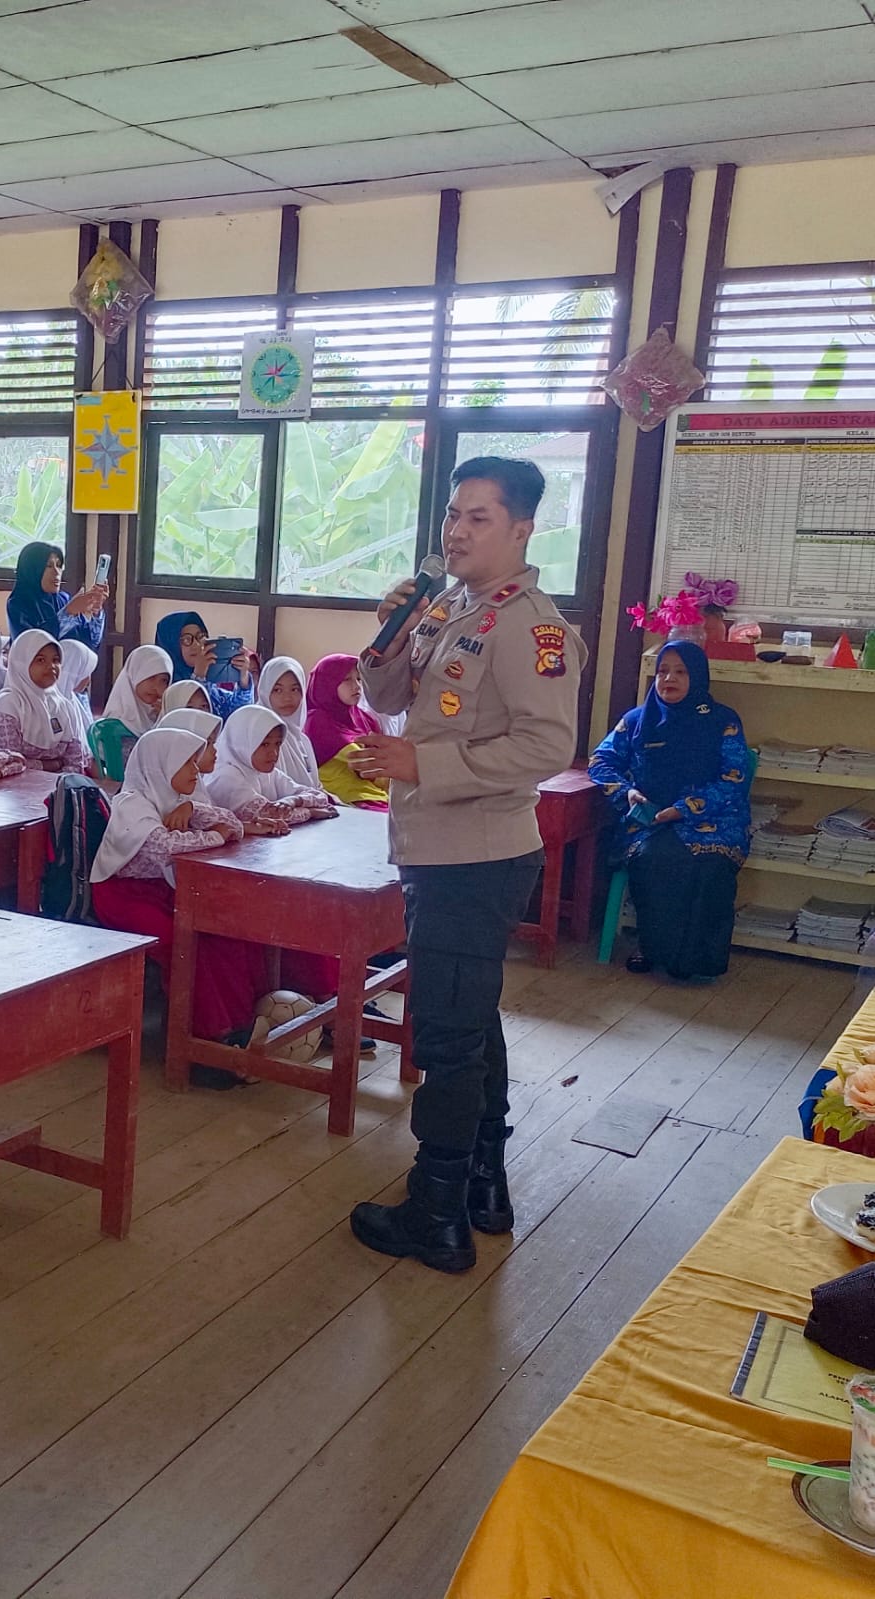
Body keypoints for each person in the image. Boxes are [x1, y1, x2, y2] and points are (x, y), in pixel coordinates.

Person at [348, 455, 585, 1275]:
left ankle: (435, 1210)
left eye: (478, 517)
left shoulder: (531, 626)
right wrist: (388, 640)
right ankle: (483, 1180)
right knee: (472, 1017)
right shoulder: (450, 607)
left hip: (476, 855)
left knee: (446, 1035)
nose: (456, 529)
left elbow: (546, 745)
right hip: (436, 849)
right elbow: (386, 698)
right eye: (453, 514)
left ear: (521, 529)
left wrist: (423, 767)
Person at [92, 728, 325, 1086]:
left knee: (226, 933)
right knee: (189, 944)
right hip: (123, 896)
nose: (195, 771)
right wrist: (215, 834)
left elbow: (231, 823)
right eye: (186, 762)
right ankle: (202, 1044)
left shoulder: (173, 796)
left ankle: (238, 1027)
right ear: (161, 764)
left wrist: (195, 809)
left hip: (164, 889)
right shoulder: (132, 803)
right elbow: (163, 847)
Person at [588, 639, 750, 981]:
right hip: (649, 821)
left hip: (713, 821)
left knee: (708, 866)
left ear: (699, 677)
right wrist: (628, 792)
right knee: (653, 860)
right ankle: (652, 947)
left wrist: (686, 809)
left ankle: (698, 961)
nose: (668, 679)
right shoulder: (636, 721)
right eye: (662, 671)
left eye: (680, 671)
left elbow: (733, 777)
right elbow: (600, 762)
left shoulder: (723, 721)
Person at [203, 704, 336, 827]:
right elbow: (268, 815)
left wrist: (294, 800)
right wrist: (311, 813)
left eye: (277, 744)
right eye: (264, 744)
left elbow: (318, 796)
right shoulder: (225, 776)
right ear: (242, 742)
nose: (274, 753)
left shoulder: (265, 772)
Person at [0, 629, 85, 771]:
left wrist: (58, 785)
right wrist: (53, 765)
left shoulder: (64, 706)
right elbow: (9, 762)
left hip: (59, 787)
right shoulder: (7, 706)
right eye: (40, 660)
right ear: (21, 664)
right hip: (13, 789)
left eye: (56, 660)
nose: (51, 666)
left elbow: (75, 761)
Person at [304, 653, 390, 810]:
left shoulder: (365, 718)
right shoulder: (317, 721)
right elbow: (367, 764)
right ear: (327, 684)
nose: (356, 686)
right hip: (347, 801)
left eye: (358, 679)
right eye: (346, 680)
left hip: (379, 795)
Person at [6, 541, 107, 650]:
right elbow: (32, 646)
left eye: (59, 566)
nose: (57, 572)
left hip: (66, 665)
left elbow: (89, 643)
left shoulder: (64, 599)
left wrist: (96, 611)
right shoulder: (18, 603)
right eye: (49, 566)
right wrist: (68, 612)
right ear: (32, 570)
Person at [154, 612, 253, 717]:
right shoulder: (162, 691)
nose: (196, 644)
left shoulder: (211, 685)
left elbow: (239, 715)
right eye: (187, 639)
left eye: (200, 637)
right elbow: (189, 720)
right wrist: (198, 677)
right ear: (171, 645)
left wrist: (244, 679)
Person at [258, 657, 323, 789]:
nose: (287, 698)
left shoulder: (302, 740)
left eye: (294, 690)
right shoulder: (261, 738)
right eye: (277, 690)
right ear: (265, 692)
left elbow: (315, 786)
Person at [58, 637, 99, 743]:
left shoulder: (75, 701)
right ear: (73, 671)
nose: (89, 680)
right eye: (85, 672)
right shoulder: (56, 708)